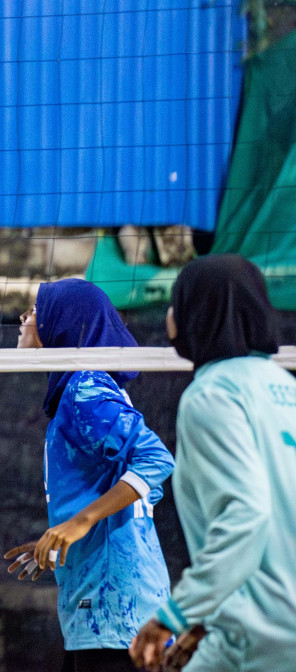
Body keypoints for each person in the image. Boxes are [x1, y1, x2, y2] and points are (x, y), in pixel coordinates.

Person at [129, 256, 296, 672]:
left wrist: (175, 615)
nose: (169, 314)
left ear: (196, 314)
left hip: (261, 635)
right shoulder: (285, 387)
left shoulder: (211, 396)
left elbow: (246, 515)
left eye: (176, 302)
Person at [0, 279, 173, 672]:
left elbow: (155, 458)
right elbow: (141, 493)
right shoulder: (83, 389)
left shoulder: (85, 388)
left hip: (114, 612)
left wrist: (80, 523)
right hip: (107, 605)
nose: (23, 318)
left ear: (64, 322)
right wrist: (70, 537)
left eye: (34, 311)